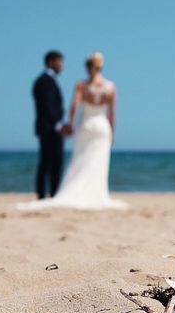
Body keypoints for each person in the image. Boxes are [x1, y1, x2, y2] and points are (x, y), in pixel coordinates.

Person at [17, 52, 127, 211]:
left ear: (87, 67)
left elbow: (74, 107)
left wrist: (70, 124)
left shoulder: (82, 85)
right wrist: (112, 132)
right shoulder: (110, 87)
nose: (61, 65)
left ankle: (60, 192)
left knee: (80, 159)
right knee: (97, 162)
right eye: (60, 62)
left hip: (86, 126)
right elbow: (113, 113)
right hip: (102, 127)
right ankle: (96, 194)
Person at [32, 50, 65, 199]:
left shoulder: (46, 80)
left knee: (47, 162)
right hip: (49, 128)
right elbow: (48, 105)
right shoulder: (44, 81)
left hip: (48, 127)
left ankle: (48, 193)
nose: (62, 66)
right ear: (51, 62)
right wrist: (57, 124)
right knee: (51, 162)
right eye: (59, 62)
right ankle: (49, 193)